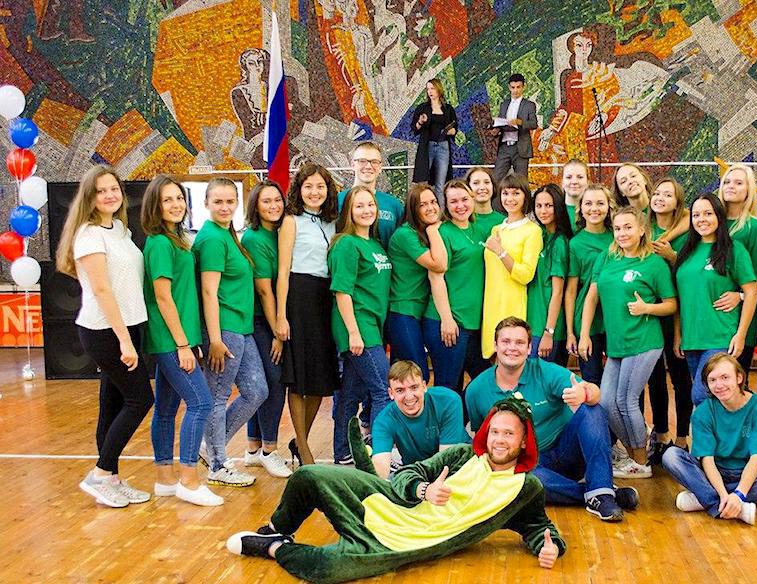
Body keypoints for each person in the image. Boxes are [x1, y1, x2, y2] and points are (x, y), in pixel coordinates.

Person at [226, 395, 565, 583]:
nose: (499, 439)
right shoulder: (463, 455)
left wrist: (549, 547)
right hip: (390, 502)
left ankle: (273, 548)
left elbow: (540, 528)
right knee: (308, 475)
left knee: (325, 570)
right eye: (495, 431)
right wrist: (424, 490)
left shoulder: (525, 488)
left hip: (404, 542)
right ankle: (276, 529)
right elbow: (408, 474)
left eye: (509, 434)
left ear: (524, 441)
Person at [466, 317, 639, 522]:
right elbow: (482, 440)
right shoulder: (476, 390)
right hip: (528, 464)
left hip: (568, 451)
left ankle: (600, 490)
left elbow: (595, 393)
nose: (512, 348)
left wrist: (584, 393)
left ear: (529, 348)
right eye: (506, 341)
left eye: (520, 342)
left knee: (592, 409)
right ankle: (601, 494)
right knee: (523, 481)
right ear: (495, 345)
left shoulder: (545, 371)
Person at [56, 165, 153, 508]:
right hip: (105, 331)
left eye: (114, 189)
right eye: (101, 191)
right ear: (90, 197)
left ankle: (110, 477)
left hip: (129, 325)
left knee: (112, 404)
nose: (110, 195)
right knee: (141, 399)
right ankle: (99, 473)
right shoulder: (89, 235)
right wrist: (124, 340)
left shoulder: (120, 230)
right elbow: (101, 290)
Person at [579, 207, 677, 478]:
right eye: (618, 228)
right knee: (606, 402)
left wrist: (647, 308)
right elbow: (591, 297)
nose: (622, 233)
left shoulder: (654, 264)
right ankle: (635, 448)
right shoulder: (607, 257)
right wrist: (585, 333)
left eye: (628, 227)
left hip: (644, 340)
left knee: (626, 400)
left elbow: (671, 304)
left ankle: (640, 461)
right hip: (617, 344)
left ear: (642, 230)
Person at [141, 175, 221, 506]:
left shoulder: (177, 239)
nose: (176, 205)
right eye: (167, 200)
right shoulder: (160, 243)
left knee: (166, 409)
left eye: (178, 198)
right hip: (170, 341)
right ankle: (189, 480)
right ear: (155, 206)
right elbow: (163, 297)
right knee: (201, 403)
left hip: (176, 338)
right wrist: (182, 345)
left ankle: (164, 479)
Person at [193, 178, 268, 487]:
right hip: (224, 329)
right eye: (218, 201)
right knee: (218, 396)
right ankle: (218, 464)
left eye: (230, 201)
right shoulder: (212, 238)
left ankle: (211, 446)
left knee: (257, 391)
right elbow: (208, 292)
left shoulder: (227, 234)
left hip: (241, 327)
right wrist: (214, 339)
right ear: (206, 204)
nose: (224, 207)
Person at [661, 354, 757, 525]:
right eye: (712, 380)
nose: (719, 385)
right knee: (671, 456)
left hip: (748, 473)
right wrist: (723, 495)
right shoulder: (703, 412)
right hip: (713, 472)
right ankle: (730, 507)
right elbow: (707, 460)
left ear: (739, 378)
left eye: (725, 377)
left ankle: (703, 499)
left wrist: (739, 494)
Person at [275, 163, 342, 466]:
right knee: (299, 378)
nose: (314, 192)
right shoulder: (292, 221)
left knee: (320, 378)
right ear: (298, 190)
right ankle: (303, 448)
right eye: (308, 186)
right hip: (299, 298)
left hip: (325, 298)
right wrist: (281, 316)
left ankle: (299, 440)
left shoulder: (332, 222)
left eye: (320, 186)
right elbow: (283, 272)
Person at [673, 194, 757, 406]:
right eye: (696, 215)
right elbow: (680, 297)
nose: (701, 219)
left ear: (719, 216)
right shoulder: (686, 251)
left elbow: (751, 292)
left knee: (701, 394)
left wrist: (740, 335)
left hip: (720, 337)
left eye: (708, 213)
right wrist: (678, 334)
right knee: (711, 402)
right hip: (692, 339)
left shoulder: (733, 249)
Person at [330, 186, 393, 465]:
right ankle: (380, 455)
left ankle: (342, 452)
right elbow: (342, 292)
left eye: (370, 205)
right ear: (349, 211)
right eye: (359, 206)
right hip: (358, 327)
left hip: (373, 326)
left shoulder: (375, 244)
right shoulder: (346, 243)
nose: (367, 210)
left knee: (350, 394)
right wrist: (354, 333)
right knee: (384, 390)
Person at [240, 180, 293, 479]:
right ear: (255, 206)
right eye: (266, 201)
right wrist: (277, 332)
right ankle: (269, 450)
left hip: (272, 319)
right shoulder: (255, 237)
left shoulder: (279, 233)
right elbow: (264, 290)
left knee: (268, 380)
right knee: (274, 380)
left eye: (277, 200)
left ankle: (252, 449)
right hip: (263, 320)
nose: (274, 206)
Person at [646, 177, 692, 460]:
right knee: (654, 379)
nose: (660, 198)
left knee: (680, 377)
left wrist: (672, 255)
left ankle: (683, 438)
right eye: (657, 193)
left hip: (679, 313)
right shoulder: (644, 228)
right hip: (651, 314)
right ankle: (661, 433)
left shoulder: (689, 231)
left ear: (678, 203)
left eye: (668, 194)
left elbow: (689, 271)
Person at [423, 180, 485, 391]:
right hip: (448, 321)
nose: (460, 206)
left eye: (464, 199)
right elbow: (436, 277)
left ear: (472, 199)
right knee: (449, 386)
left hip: (473, 322)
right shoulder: (443, 232)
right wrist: (447, 319)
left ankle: (464, 413)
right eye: (453, 201)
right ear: (446, 206)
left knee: (482, 381)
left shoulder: (478, 231)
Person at [387, 184, 448, 377]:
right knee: (419, 373)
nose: (430, 208)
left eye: (433, 202)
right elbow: (439, 265)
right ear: (413, 209)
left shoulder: (424, 231)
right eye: (423, 204)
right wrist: (434, 231)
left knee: (401, 374)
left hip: (421, 310)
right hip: (402, 310)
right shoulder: (405, 234)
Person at [370, 361, 469, 478]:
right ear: (391, 393)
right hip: (418, 472)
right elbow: (380, 464)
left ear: (424, 386)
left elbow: (447, 461)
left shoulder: (448, 400)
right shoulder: (383, 421)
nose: (409, 396)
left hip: (460, 465)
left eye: (414, 387)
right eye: (400, 390)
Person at [481, 173, 543, 358]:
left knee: (511, 359)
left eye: (516, 193)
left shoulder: (532, 231)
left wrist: (501, 252)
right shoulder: (496, 229)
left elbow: (525, 275)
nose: (510, 198)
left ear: (525, 196)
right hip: (491, 307)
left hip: (513, 306)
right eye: (505, 193)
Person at [719, 164, 757, 380]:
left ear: (749, 190)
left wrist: (740, 296)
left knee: (736, 379)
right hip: (714, 313)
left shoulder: (755, 228)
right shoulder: (711, 222)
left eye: (739, 183)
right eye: (727, 182)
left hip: (741, 312)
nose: (731, 186)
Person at [564, 183, 614, 386]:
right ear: (581, 208)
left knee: (619, 380)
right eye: (589, 203)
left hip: (614, 316)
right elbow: (571, 291)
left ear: (609, 207)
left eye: (600, 203)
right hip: (587, 319)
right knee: (592, 380)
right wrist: (570, 332)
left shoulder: (618, 236)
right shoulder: (575, 243)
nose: (594, 208)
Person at [528, 183, 572, 364]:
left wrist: (549, 332)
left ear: (558, 207)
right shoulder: (540, 236)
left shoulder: (559, 242)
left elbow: (558, 292)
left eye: (549, 205)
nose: (543, 211)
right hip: (533, 323)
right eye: (539, 206)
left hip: (548, 328)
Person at [337, 141, 405, 246]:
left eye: (374, 162)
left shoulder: (394, 205)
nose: (368, 166)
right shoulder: (337, 201)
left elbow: (403, 243)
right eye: (362, 161)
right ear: (352, 165)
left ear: (380, 167)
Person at [411, 79, 458, 195]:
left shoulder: (448, 109)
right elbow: (414, 128)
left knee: (441, 184)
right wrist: (420, 121)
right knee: (423, 181)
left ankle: (440, 206)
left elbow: (455, 128)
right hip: (428, 146)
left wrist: (451, 131)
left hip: (443, 146)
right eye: (428, 89)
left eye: (432, 88)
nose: (430, 92)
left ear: (439, 89)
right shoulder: (422, 108)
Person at [490, 73, 538, 183]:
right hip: (504, 146)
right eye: (513, 87)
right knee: (496, 179)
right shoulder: (504, 104)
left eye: (518, 87)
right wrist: (496, 130)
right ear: (509, 87)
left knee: (521, 181)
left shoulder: (529, 105)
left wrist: (520, 122)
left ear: (524, 87)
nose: (515, 90)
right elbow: (501, 122)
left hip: (520, 147)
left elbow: (534, 124)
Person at [466, 166, 505, 236]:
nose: (482, 187)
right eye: (476, 183)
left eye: (486, 182)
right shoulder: (462, 221)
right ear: (467, 187)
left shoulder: (504, 222)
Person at [561, 159, 588, 234]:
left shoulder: (595, 210)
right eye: (569, 177)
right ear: (562, 182)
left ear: (588, 181)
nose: (574, 182)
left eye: (580, 177)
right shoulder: (554, 210)